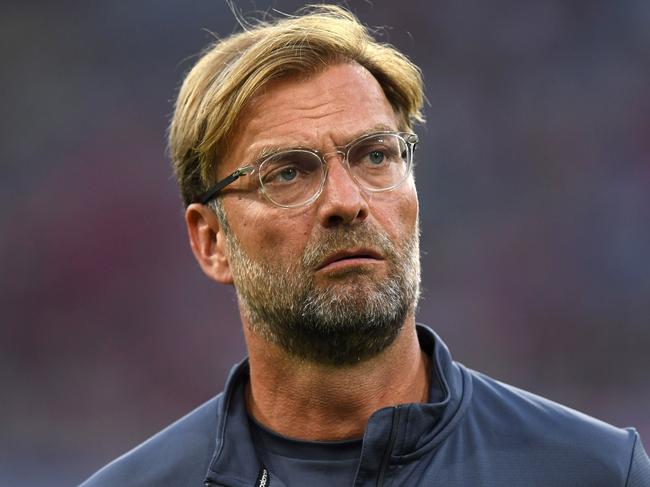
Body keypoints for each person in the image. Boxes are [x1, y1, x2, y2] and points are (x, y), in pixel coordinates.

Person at [81, 5, 650, 486]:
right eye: (288, 173)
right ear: (211, 241)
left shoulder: (593, 471)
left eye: (375, 155)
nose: (345, 201)